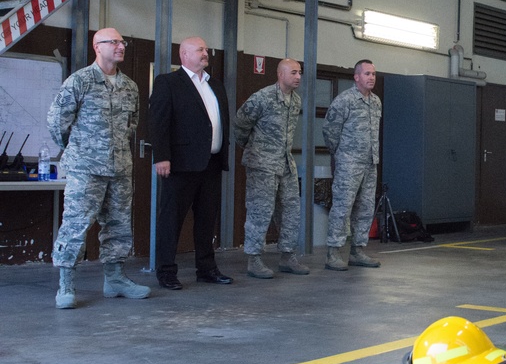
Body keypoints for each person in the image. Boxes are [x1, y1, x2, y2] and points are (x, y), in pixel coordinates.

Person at [46, 27, 150, 309]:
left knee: (118, 226)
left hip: (119, 169)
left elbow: (132, 125)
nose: (120, 46)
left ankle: (115, 279)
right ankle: (66, 284)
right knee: (76, 225)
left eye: (122, 42)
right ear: (97, 46)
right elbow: (57, 123)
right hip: (86, 169)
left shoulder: (130, 86)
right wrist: (80, 150)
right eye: (113, 42)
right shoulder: (79, 81)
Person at [149, 36, 232, 289]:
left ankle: (206, 269)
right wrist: (161, 156)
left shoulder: (215, 85)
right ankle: (166, 272)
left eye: (206, 49)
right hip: (180, 165)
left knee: (207, 220)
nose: (205, 53)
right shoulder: (168, 82)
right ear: (184, 55)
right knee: (171, 221)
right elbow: (158, 121)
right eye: (200, 50)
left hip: (211, 164)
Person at [233, 58, 309, 279]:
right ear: (280, 74)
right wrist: (253, 149)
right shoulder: (262, 98)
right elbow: (240, 124)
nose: (298, 77)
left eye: (300, 73)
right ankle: (254, 259)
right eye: (293, 73)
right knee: (260, 211)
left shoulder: (295, 101)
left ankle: (287, 256)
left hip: (285, 163)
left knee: (290, 211)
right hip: (262, 165)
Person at [323, 58, 381, 270]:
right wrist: (341, 155)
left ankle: (358, 251)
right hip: (348, 164)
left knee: (365, 208)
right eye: (367, 74)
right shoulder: (344, 101)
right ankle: (333, 253)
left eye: (373, 74)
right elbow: (329, 131)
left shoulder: (376, 102)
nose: (371, 77)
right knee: (342, 208)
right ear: (356, 77)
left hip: (370, 164)